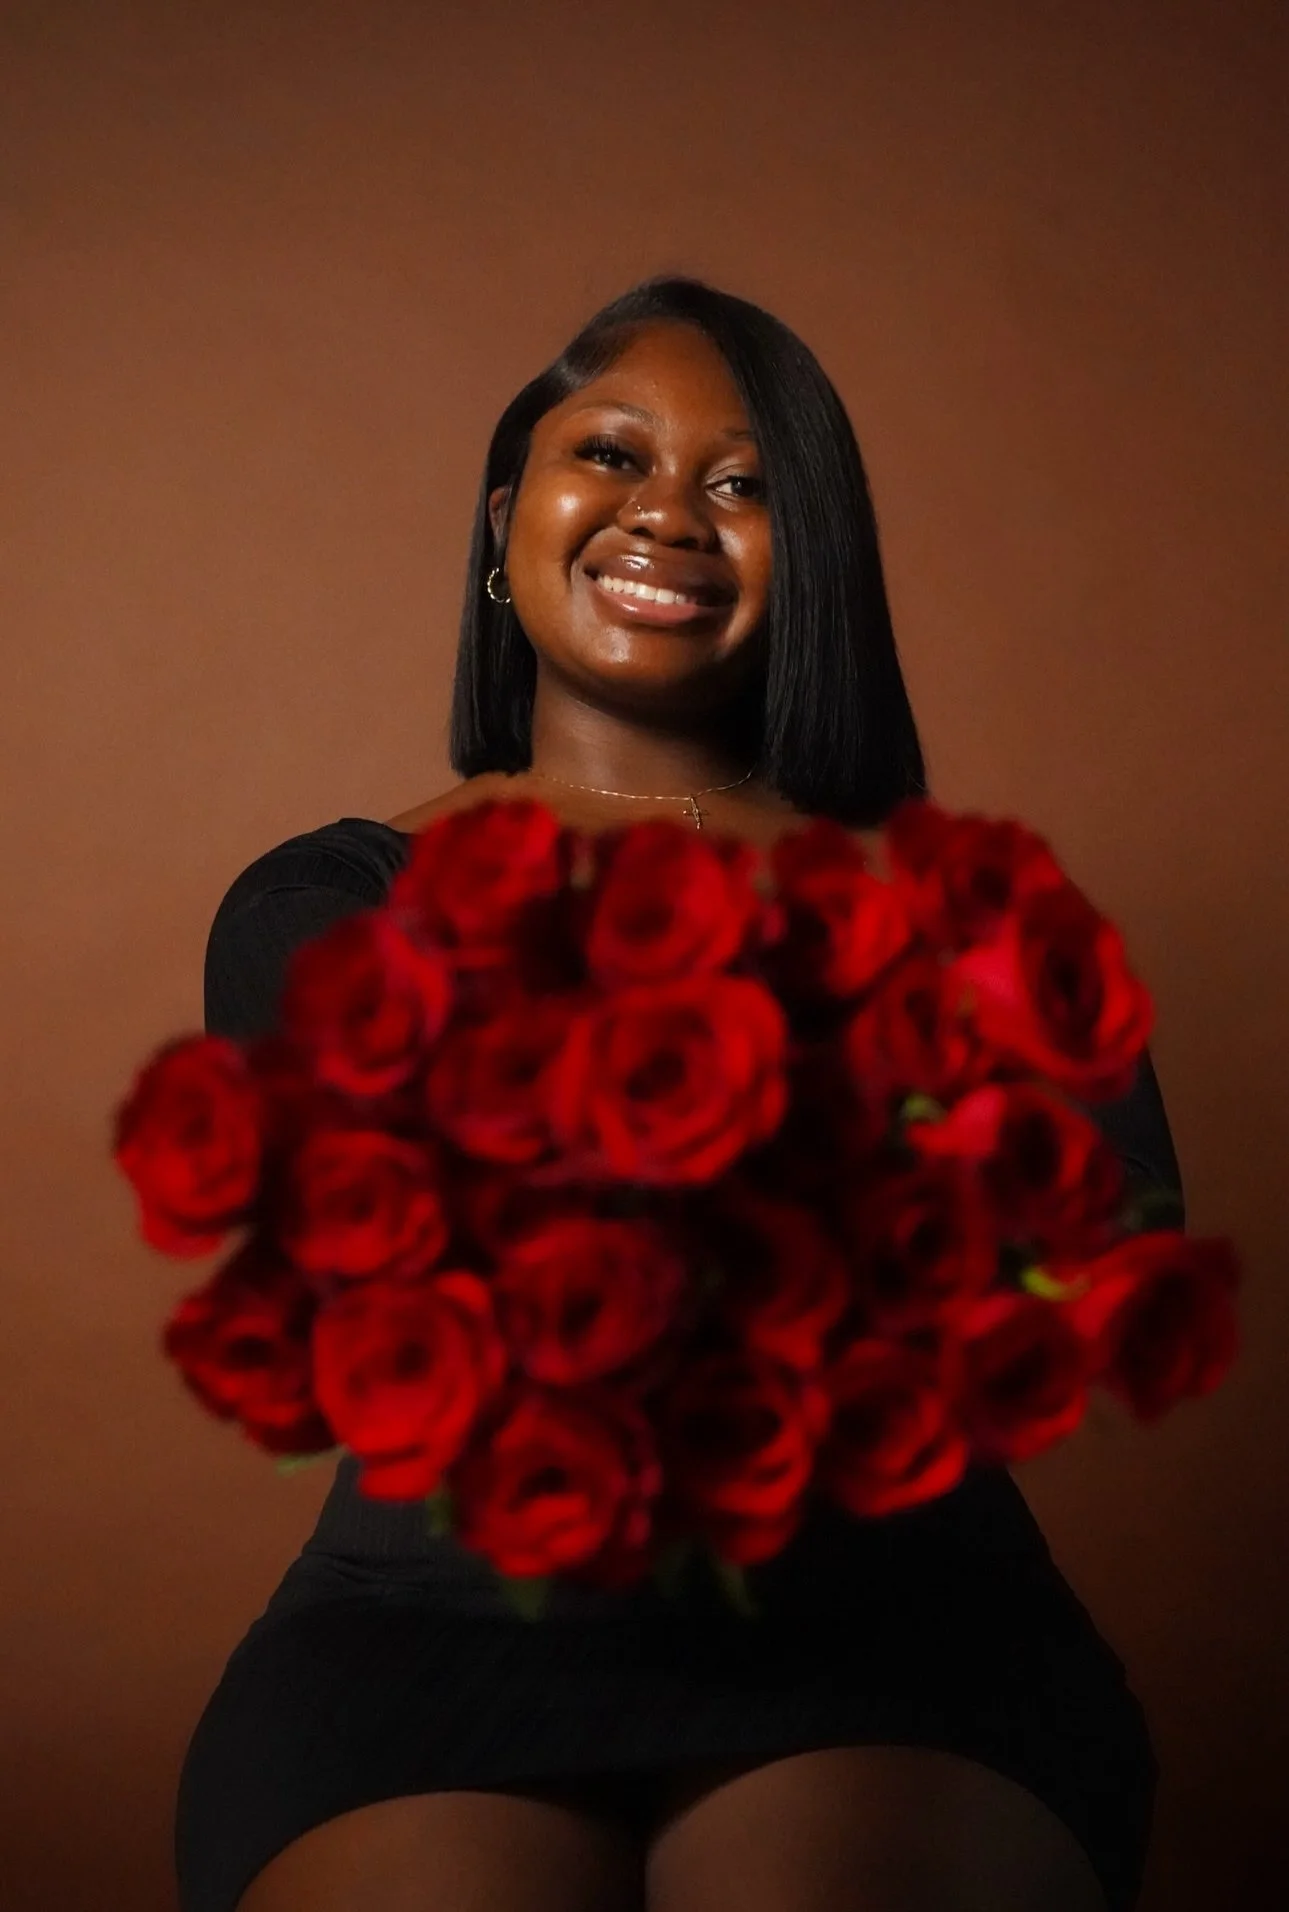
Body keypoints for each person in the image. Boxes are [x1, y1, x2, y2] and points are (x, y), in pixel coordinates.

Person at [177, 277, 1179, 1912]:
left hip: (898, 1641)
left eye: (741, 484)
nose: (668, 513)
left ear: (814, 567)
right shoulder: (326, 904)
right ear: (511, 521)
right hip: (429, 1633)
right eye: (614, 455)